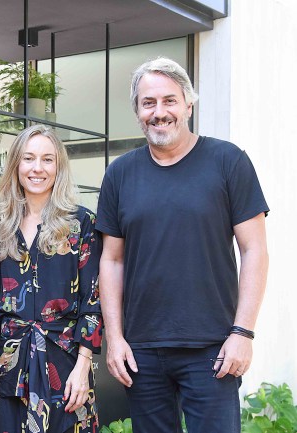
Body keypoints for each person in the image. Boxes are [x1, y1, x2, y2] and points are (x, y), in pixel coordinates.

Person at [96, 57, 269, 433]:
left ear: (188, 104)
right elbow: (111, 261)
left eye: (169, 101)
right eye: (148, 103)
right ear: (138, 112)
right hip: (142, 350)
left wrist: (243, 333)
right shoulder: (120, 174)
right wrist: (115, 338)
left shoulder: (228, 161)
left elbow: (254, 250)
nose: (160, 112)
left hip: (213, 348)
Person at [0, 125, 103, 433]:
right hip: (11, 362)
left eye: (47, 159)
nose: (38, 168)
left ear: (58, 166)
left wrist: (83, 368)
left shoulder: (81, 223)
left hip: (65, 362)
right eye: (29, 158)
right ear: (16, 165)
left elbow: (93, 298)